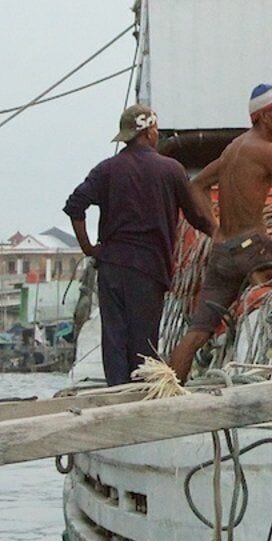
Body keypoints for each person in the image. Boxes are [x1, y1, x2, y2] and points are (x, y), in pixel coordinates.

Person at [164, 83, 272, 376]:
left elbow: (196, 185)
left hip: (222, 253)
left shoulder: (233, 148)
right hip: (253, 248)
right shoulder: (266, 151)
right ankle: (262, 278)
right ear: (264, 116)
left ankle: (167, 389)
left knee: (198, 331)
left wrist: (214, 227)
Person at [64, 104, 209, 387]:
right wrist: (220, 235)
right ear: (151, 132)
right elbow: (196, 217)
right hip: (149, 267)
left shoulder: (107, 169)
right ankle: (138, 395)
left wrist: (88, 247)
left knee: (114, 337)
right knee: (143, 340)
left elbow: (75, 206)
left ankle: (116, 392)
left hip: (112, 264)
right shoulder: (171, 169)